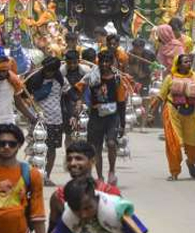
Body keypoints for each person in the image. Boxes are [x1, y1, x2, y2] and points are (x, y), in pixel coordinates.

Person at [148, 54, 195, 180]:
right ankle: (174, 172)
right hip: (173, 112)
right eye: (185, 62)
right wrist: (151, 113)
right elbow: (160, 96)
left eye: (189, 61)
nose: (188, 63)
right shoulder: (170, 78)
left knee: (194, 146)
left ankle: (191, 162)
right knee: (174, 143)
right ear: (178, 64)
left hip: (191, 114)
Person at [47, 176, 148, 233]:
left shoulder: (115, 210)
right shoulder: (68, 217)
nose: (83, 215)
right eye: (77, 211)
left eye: (88, 208)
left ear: (96, 198)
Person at [75, 50, 126, 186]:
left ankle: (112, 171)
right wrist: (80, 101)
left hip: (112, 116)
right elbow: (79, 88)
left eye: (107, 61)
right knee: (96, 148)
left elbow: (121, 102)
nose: (104, 64)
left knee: (111, 143)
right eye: (102, 61)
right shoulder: (92, 77)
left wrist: (123, 123)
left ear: (112, 63)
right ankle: (100, 177)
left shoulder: (117, 79)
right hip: (96, 116)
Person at [47, 141, 121, 233]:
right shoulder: (58, 196)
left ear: (93, 161)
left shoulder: (110, 193)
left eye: (78, 158)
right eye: (69, 159)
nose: (73, 163)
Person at [25, 56, 69, 186]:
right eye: (47, 70)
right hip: (38, 121)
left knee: (51, 150)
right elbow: (23, 95)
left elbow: (70, 94)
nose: (49, 73)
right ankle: (33, 176)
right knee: (35, 149)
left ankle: (46, 176)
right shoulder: (33, 80)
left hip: (56, 120)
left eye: (52, 71)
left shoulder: (61, 81)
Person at [61, 51, 91, 145]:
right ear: (66, 62)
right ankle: (68, 155)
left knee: (83, 131)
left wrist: (80, 101)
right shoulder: (61, 72)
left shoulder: (87, 71)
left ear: (78, 61)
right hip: (67, 102)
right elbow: (63, 91)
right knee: (69, 133)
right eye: (69, 63)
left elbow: (87, 88)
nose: (72, 65)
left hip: (83, 101)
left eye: (75, 63)